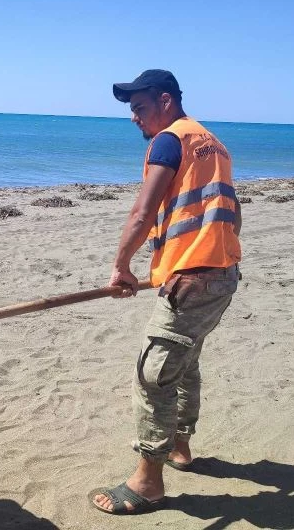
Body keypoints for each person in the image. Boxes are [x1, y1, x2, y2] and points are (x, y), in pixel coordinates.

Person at [89, 70, 242, 515]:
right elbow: (229, 210)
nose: (134, 119)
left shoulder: (170, 140)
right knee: (184, 363)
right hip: (220, 276)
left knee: (153, 374)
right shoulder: (213, 143)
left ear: (165, 101)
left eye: (139, 108)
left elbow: (143, 210)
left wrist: (121, 268)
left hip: (192, 281)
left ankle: (148, 482)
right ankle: (180, 448)